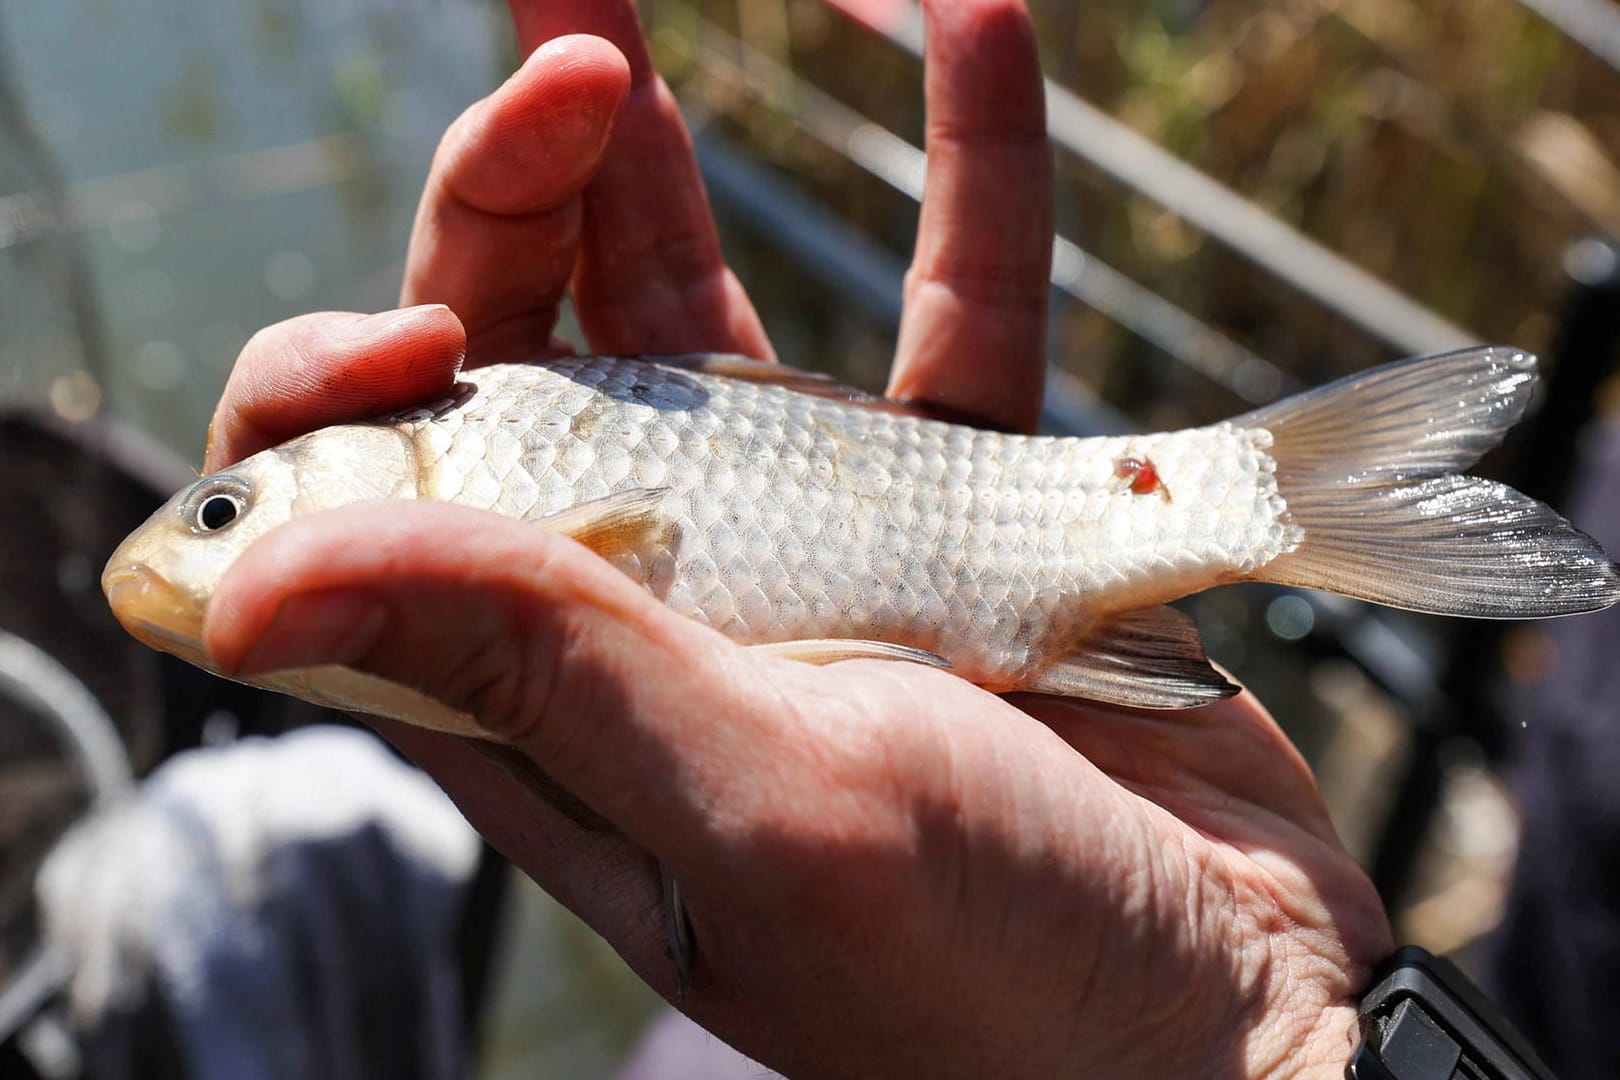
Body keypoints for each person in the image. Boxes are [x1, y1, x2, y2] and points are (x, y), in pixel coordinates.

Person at [195, 1, 1391, 1075]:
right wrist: (1236, 1022)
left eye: (222, 513)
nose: (208, 537)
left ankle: (1260, 495)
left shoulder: (453, 474)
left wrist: (1255, 1025)